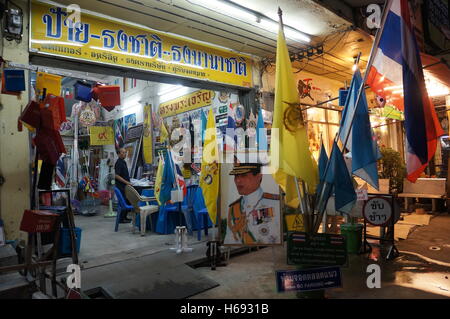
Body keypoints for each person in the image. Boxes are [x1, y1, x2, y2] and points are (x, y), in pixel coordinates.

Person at [225, 161, 280, 245]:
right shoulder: (233, 209)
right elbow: (230, 240)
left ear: (258, 176)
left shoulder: (275, 203)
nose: (238, 180)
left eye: (244, 175)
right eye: (236, 176)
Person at [115, 148, 132, 223]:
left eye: (125, 152)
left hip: (125, 186)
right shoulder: (118, 162)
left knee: (127, 200)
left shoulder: (123, 162)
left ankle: (124, 217)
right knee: (124, 201)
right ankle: (121, 219)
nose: (125, 154)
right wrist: (126, 182)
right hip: (121, 186)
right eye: (123, 152)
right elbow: (116, 176)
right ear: (119, 154)